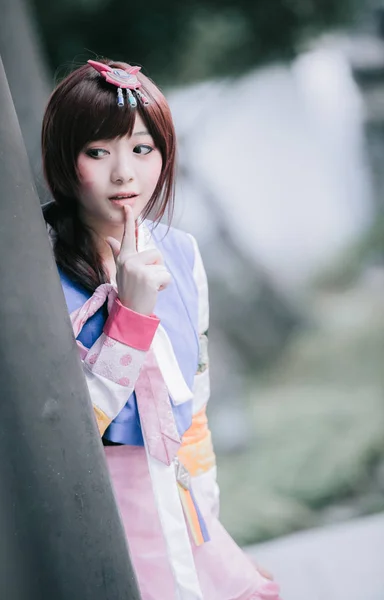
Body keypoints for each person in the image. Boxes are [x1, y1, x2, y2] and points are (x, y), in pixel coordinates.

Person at [41, 58, 282, 600]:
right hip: (108, 508)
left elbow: (193, 399)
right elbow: (75, 424)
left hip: (180, 493)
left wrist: (206, 506)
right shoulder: (40, 271)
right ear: (64, 160)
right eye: (98, 152)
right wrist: (129, 314)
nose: (124, 173)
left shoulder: (183, 252)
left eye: (142, 149)